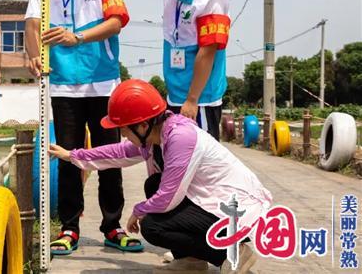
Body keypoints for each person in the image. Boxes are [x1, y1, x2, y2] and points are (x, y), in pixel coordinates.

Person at [49, 79, 272, 273]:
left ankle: (232, 254)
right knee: (153, 184)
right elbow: (117, 152)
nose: (123, 134)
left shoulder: (180, 137)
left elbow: (169, 196)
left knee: (152, 226)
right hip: (214, 203)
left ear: (143, 125)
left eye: (125, 129)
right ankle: (191, 260)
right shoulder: (157, 136)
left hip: (235, 207)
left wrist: (139, 211)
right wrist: (71, 155)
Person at [24, 0, 140, 255]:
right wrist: (32, 55)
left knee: (109, 156)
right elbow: (31, 22)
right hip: (62, 83)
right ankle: (69, 228)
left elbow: (117, 21)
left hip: (103, 79)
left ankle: (112, 226)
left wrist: (78, 37)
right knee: (69, 156)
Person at [141, 0, 231, 141]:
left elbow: (207, 53)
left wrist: (192, 100)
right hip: (176, 93)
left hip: (199, 100)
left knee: (201, 161)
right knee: (177, 157)